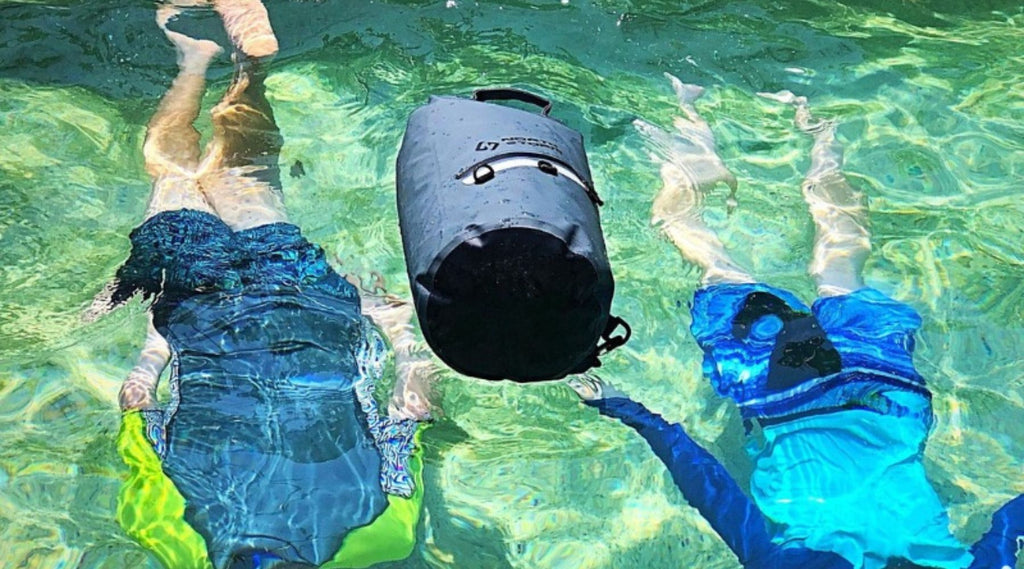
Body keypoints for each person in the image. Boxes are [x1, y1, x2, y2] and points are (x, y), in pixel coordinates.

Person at [569, 74, 1024, 569]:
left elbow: (1011, 523)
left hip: (884, 396)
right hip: (783, 404)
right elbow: (706, 484)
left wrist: (629, 410)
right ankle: (688, 114)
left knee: (840, 266)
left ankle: (819, 131)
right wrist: (626, 409)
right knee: (710, 258)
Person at [90, 3, 436, 568]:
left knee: (243, 174)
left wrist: (396, 332)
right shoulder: (171, 535)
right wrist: (159, 344)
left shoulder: (378, 535)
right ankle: (198, 61)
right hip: (206, 312)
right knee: (181, 178)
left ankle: (240, 68)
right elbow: (138, 400)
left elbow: (411, 410)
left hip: (291, 304)